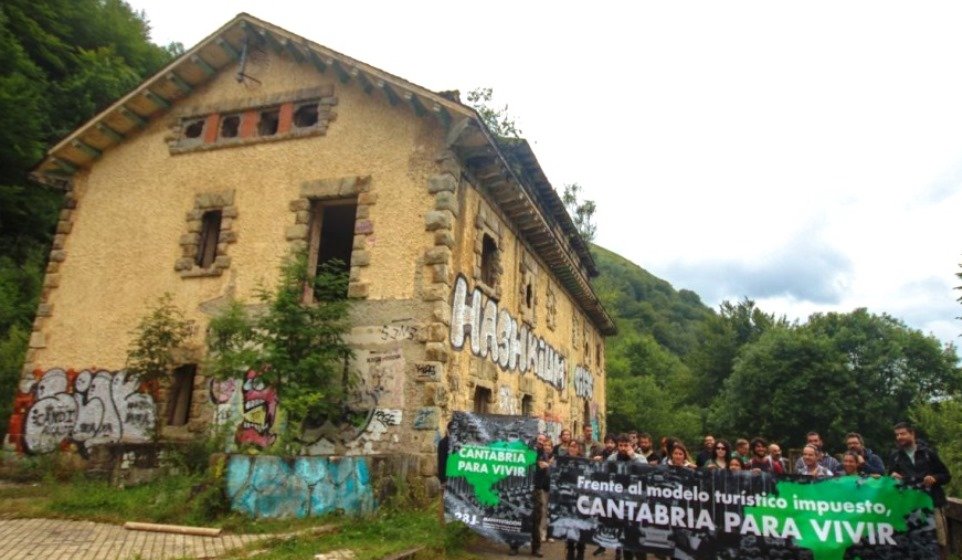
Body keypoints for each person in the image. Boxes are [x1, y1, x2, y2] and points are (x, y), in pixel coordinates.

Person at [889, 422, 951, 560]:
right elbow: (891, 482)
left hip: (933, 503)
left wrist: (934, 478)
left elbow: (946, 476)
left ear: (912, 434)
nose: (899, 437)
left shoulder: (928, 453)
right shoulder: (895, 457)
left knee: (939, 541)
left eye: (903, 433)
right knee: (914, 542)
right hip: (910, 507)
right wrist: (892, 477)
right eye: (897, 435)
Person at [521, 433, 551, 558]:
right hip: (523, 489)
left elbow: (545, 474)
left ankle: (536, 548)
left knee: (536, 520)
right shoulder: (528, 451)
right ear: (535, 440)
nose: (541, 442)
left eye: (543, 440)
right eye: (539, 439)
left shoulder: (544, 455)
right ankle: (514, 545)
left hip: (536, 490)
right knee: (519, 517)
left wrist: (545, 467)